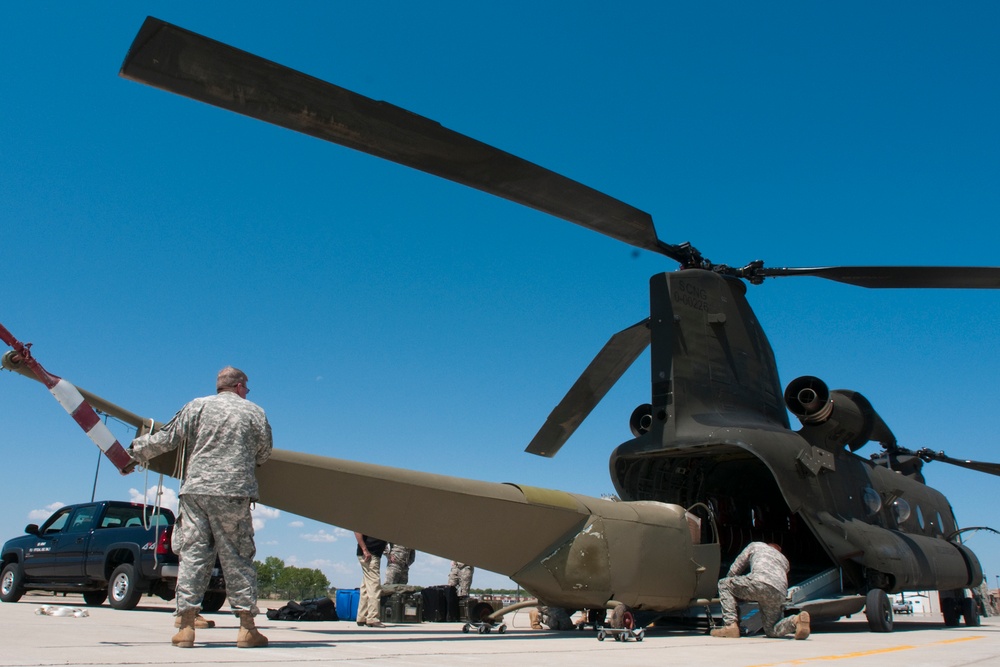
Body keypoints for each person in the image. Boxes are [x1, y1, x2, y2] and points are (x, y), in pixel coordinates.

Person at [127, 366, 272, 649]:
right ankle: (246, 629)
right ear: (240, 386)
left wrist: (136, 450)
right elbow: (264, 452)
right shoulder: (254, 411)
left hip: (195, 491)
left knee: (193, 556)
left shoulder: (196, 406)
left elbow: (167, 439)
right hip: (233, 492)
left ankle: (186, 627)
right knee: (238, 557)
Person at [711, 542, 810, 640]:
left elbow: (736, 567)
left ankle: (730, 626)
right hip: (779, 591)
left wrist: (731, 593)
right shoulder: (784, 560)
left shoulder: (756, 545)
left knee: (724, 584)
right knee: (771, 629)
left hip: (759, 582)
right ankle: (795, 620)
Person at [355, 533, 388, 627]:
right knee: (374, 586)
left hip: (372, 554)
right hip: (369, 554)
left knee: (366, 586)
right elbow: (357, 531)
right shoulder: (367, 519)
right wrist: (365, 550)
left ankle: (362, 617)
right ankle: (373, 618)